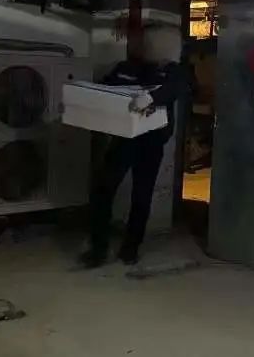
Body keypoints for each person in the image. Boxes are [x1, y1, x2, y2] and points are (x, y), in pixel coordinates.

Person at [79, 23, 194, 268]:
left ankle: (130, 248)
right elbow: (105, 90)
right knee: (103, 189)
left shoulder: (172, 72)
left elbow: (176, 88)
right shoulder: (125, 68)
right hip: (123, 138)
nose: (140, 45)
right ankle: (98, 249)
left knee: (141, 195)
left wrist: (151, 98)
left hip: (151, 140)